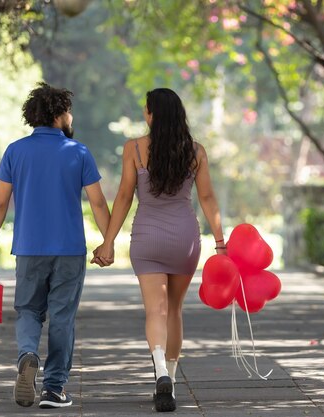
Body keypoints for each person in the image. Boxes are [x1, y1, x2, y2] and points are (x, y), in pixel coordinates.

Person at [92, 88, 226, 412]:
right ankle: (172, 381)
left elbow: (124, 196)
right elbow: (207, 199)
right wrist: (220, 243)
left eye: (146, 109)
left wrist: (108, 241)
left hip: (147, 237)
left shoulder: (134, 149)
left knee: (156, 311)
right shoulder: (196, 151)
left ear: (153, 114)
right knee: (175, 311)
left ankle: (160, 372)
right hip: (185, 238)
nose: (143, 113)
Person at [0, 82, 110, 409]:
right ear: (58, 114)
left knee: (28, 309)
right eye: (68, 111)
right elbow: (97, 203)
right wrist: (107, 243)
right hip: (69, 250)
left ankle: (27, 354)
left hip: (28, 247)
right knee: (62, 317)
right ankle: (54, 389)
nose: (71, 116)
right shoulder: (78, 151)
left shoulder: (15, 151)